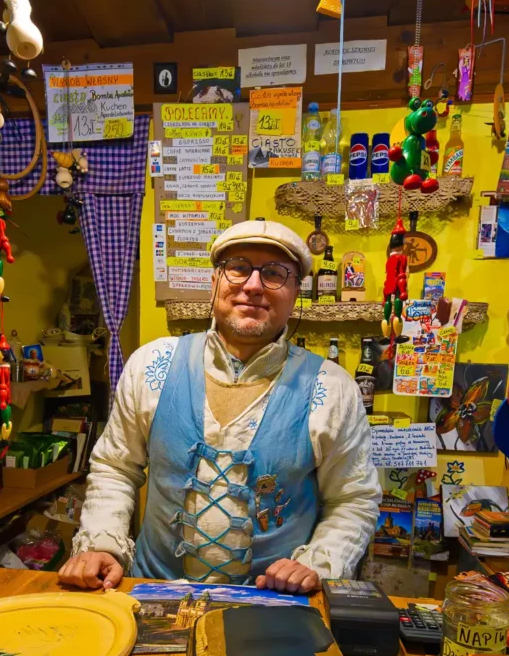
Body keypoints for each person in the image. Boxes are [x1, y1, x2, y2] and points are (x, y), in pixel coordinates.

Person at [59, 219, 381, 594]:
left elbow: (353, 499)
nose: (254, 285)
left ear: (296, 292)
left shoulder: (333, 388)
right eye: (238, 267)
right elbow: (116, 467)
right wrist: (103, 544)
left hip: (274, 601)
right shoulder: (151, 365)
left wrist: (317, 563)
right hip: (153, 590)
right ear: (215, 281)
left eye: (274, 273)